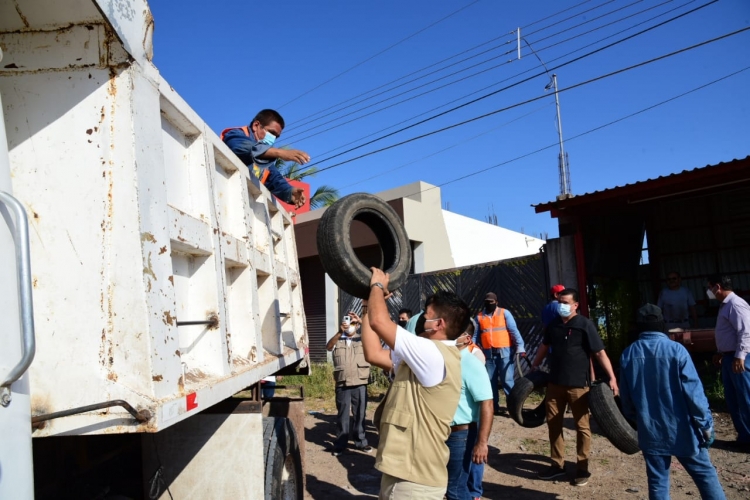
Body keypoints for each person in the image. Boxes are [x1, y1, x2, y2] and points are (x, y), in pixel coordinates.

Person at [361, 268, 467, 499]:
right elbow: (373, 353)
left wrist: (377, 286)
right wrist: (368, 306)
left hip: (414, 482)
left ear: (439, 324)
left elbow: (380, 322)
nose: (421, 320)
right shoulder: (423, 357)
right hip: (404, 473)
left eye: (426, 315)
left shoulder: (432, 353)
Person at [619, 304, 726, 500]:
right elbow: (694, 394)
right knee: (705, 475)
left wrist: (638, 420)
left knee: (658, 481)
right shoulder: (677, 350)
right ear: (661, 324)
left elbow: (626, 399)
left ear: (639, 326)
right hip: (683, 430)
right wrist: (705, 425)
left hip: (650, 431)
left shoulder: (628, 354)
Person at [531, 288, 618, 486]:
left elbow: (599, 353)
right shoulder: (553, 325)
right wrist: (535, 364)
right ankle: (557, 465)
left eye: (565, 302)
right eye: (559, 301)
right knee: (554, 424)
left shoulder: (584, 325)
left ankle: (582, 468)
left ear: (575, 305)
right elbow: (544, 346)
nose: (561, 305)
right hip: (555, 384)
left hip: (579, 386)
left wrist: (612, 377)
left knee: (582, 427)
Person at [221, 109, 310, 208]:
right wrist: (280, 152)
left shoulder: (264, 160)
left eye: (276, 136)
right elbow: (241, 147)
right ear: (256, 126)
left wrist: (290, 192)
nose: (273, 138)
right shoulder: (235, 134)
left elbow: (275, 179)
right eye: (271, 133)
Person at [707, 274, 750, 450]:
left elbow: (746, 331)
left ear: (718, 287)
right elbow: (729, 332)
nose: (709, 291)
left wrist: (740, 355)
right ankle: (745, 438)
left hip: (739, 358)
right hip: (729, 357)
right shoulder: (725, 306)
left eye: (709, 287)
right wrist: (720, 352)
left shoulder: (735, 304)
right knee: (734, 399)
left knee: (745, 398)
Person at [473, 292, 526, 415]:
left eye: (491, 302)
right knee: (490, 382)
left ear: (496, 302)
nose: (489, 304)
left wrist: (520, 346)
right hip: (488, 354)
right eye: (487, 302)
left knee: (507, 381)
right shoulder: (480, 316)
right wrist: (473, 349)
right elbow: (475, 335)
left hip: (504, 353)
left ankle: (514, 408)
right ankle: (493, 408)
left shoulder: (504, 313)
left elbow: (513, 330)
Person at [453, 330, 491, 500]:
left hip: (463, 432)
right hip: (444, 431)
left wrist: (482, 442)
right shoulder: (447, 359)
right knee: (452, 484)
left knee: (456, 487)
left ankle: (474, 492)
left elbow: (487, 403)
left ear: (467, 338)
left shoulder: (472, 361)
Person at [326, 315, 372, 456]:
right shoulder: (338, 339)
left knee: (360, 414)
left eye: (353, 323)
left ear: (357, 325)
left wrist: (362, 322)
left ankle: (360, 442)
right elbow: (328, 347)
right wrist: (340, 332)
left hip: (360, 382)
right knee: (342, 414)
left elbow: (374, 336)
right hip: (342, 382)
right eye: (348, 322)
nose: (350, 325)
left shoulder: (362, 339)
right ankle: (340, 443)